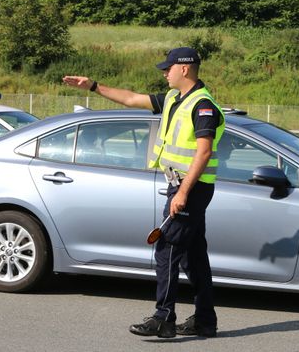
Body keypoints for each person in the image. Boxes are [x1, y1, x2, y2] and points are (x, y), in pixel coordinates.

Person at [63, 47, 225, 339]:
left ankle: (164, 318)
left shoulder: (203, 106)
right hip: (183, 186)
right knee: (193, 256)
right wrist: (94, 86)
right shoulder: (175, 99)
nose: (164, 72)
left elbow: (204, 152)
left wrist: (182, 193)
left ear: (184, 69)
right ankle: (205, 320)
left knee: (166, 249)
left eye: (168, 68)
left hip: (190, 187)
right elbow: (130, 98)